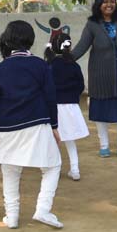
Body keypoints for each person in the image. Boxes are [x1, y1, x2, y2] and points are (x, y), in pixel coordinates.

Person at [0, 21, 63, 229]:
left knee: (10, 171)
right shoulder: (40, 65)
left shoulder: (0, 69)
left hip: (6, 126)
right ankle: (43, 210)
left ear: (7, 40)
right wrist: (54, 125)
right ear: (31, 40)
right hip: (36, 121)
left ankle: (12, 216)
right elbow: (50, 97)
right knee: (52, 165)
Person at [72, 0, 117, 158]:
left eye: (112, 1)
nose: (109, 5)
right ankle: (104, 146)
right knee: (101, 110)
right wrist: (64, 60)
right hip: (100, 75)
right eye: (105, 2)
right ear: (99, 4)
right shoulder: (92, 24)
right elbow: (81, 47)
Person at [45, 32, 89, 180]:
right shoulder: (73, 65)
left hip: (53, 108)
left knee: (53, 141)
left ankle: (53, 170)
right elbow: (80, 85)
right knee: (70, 140)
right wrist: (72, 96)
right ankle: (75, 169)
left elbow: (44, 86)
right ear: (69, 47)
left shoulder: (48, 65)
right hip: (70, 107)